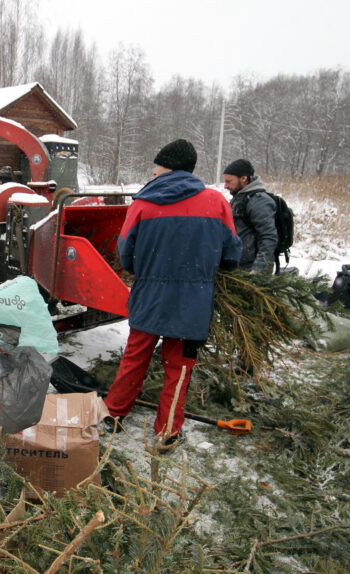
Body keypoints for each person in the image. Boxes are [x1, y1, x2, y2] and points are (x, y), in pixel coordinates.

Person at [103, 139, 242, 450]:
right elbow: (232, 254)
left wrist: (152, 269)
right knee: (179, 369)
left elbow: (126, 255)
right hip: (192, 303)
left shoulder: (142, 203)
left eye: (157, 164)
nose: (153, 170)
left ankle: (112, 415)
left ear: (166, 167)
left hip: (149, 296)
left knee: (135, 358)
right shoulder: (216, 202)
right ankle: (167, 433)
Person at [223, 159, 278, 274]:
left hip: (250, 269)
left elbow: (268, 237)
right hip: (239, 267)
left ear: (244, 179)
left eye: (229, 181)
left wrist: (258, 270)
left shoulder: (259, 201)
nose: (225, 186)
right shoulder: (240, 198)